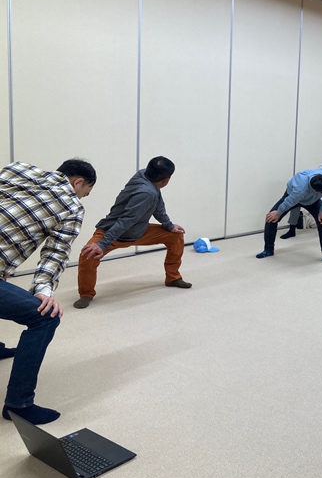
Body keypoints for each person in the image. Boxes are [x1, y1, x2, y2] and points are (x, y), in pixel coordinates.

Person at [0, 159, 96, 424]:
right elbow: (55, 252)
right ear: (78, 182)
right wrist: (43, 291)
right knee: (45, 317)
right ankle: (18, 404)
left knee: (6, 289)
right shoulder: (72, 207)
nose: (82, 197)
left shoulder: (18, 169)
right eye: (85, 192)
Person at [74, 156, 191, 309]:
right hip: (112, 232)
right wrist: (102, 244)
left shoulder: (144, 176)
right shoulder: (147, 192)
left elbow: (158, 206)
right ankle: (86, 294)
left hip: (139, 231)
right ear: (166, 180)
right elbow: (125, 221)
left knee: (175, 236)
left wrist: (169, 226)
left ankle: (173, 278)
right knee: (88, 255)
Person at [256, 170, 322, 265]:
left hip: (313, 201)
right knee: (271, 219)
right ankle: (268, 250)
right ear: (316, 191)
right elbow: (289, 202)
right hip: (292, 196)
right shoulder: (300, 189)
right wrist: (278, 213)